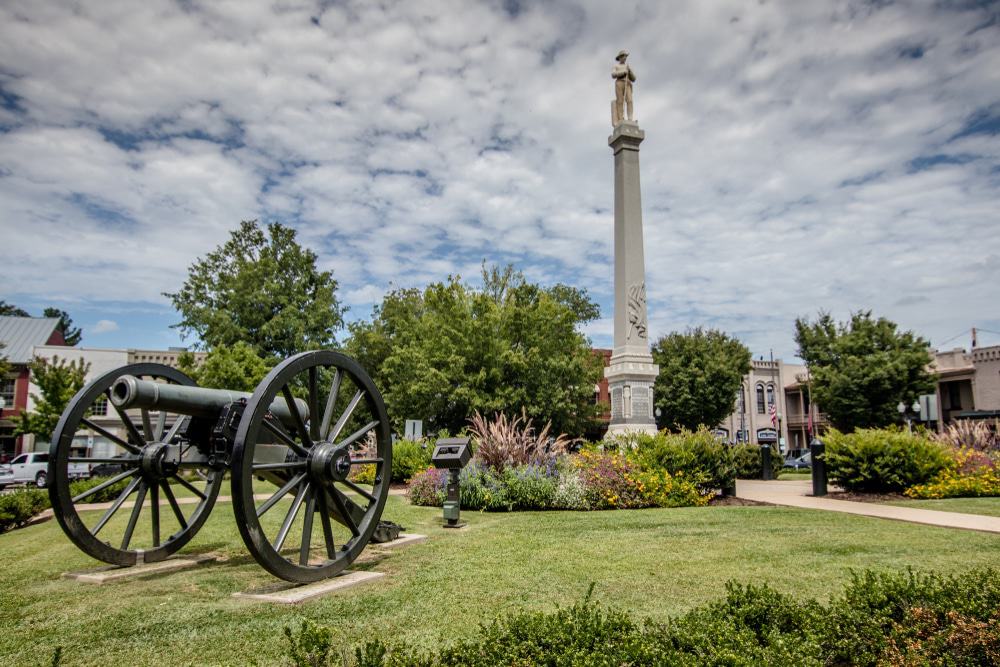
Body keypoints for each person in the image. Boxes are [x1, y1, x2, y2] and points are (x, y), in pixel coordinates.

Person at [612, 49, 636, 125]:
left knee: (630, 101)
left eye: (626, 56)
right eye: (623, 56)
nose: (625, 58)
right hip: (619, 82)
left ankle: (630, 118)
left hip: (627, 83)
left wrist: (629, 71)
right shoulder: (616, 66)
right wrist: (623, 72)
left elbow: (634, 78)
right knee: (620, 101)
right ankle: (621, 118)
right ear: (620, 57)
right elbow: (613, 74)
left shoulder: (627, 66)